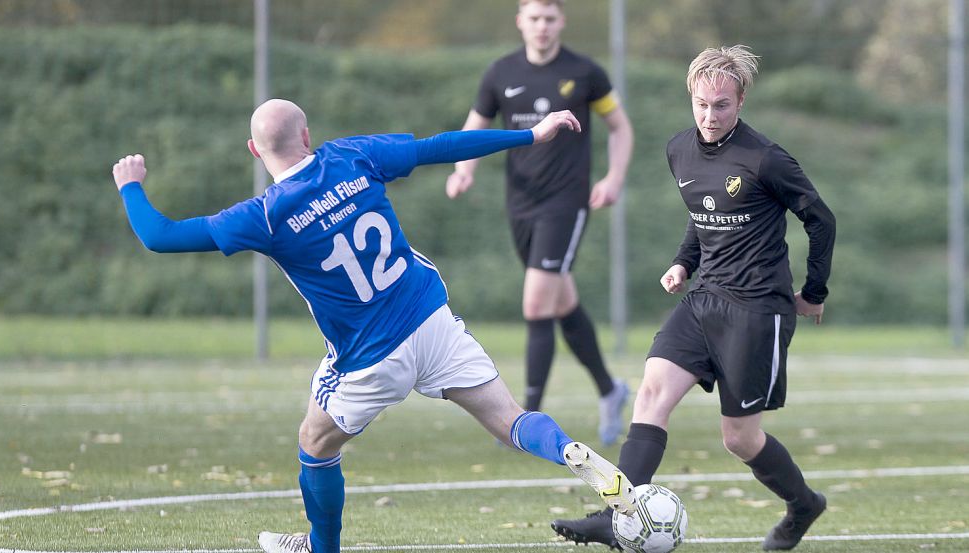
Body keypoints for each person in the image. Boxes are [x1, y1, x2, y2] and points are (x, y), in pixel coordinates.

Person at [111, 99, 638, 553]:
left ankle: (323, 548)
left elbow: (161, 236)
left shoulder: (266, 216)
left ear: (254, 151)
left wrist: (131, 186)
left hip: (370, 357)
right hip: (431, 320)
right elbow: (440, 146)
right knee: (511, 420)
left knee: (315, 445)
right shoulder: (352, 155)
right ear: (307, 136)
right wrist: (531, 132)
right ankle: (569, 450)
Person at [551, 45, 836, 551]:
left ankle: (803, 505)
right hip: (704, 299)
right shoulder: (679, 149)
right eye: (701, 104)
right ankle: (619, 517)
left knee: (740, 439)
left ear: (741, 100)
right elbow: (702, 212)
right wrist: (685, 262)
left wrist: (813, 293)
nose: (709, 116)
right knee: (652, 392)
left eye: (721, 105)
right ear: (691, 97)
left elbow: (821, 219)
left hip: (757, 310)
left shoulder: (765, 158)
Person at [446, 0, 634, 446]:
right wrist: (464, 169)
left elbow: (620, 128)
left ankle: (520, 419)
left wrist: (613, 178)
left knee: (535, 305)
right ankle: (610, 391)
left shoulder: (586, 73)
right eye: (534, 19)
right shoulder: (500, 73)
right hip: (521, 204)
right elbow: (475, 128)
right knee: (561, 302)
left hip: (566, 203)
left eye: (550, 19)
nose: (542, 27)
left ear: (561, 22)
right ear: (520, 23)